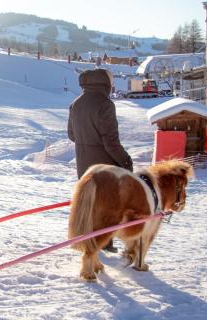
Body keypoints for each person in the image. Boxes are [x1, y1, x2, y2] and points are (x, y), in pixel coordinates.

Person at [67, 68, 133, 253]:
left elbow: (72, 135)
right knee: (107, 204)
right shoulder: (105, 104)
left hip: (83, 165)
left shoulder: (76, 104)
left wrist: (87, 141)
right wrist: (126, 161)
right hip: (104, 166)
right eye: (111, 81)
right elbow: (111, 143)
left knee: (89, 203)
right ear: (105, 82)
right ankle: (104, 242)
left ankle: (90, 240)